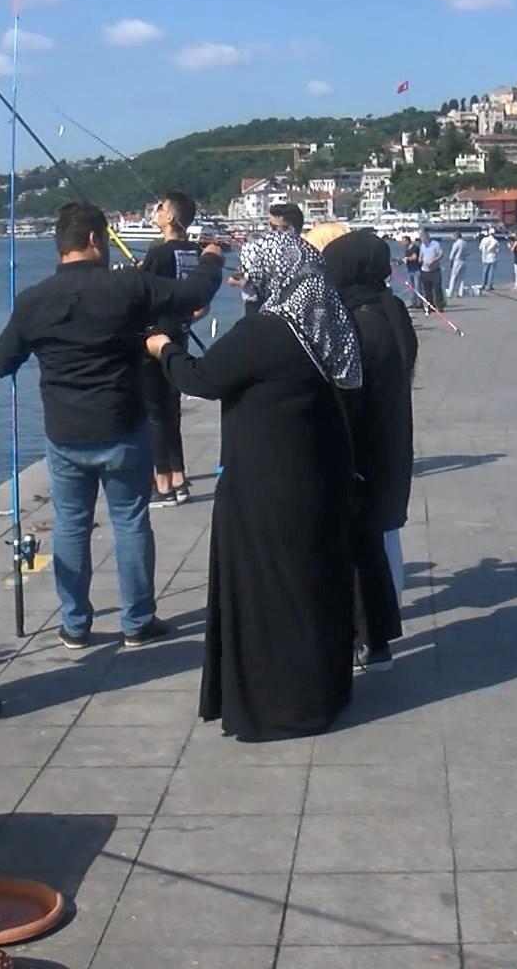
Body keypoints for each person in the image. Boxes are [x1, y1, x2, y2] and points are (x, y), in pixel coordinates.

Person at [144, 228, 362, 741]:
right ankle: (323, 689)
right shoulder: (322, 320)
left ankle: (280, 704)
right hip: (319, 470)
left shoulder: (268, 330)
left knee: (271, 588)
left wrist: (162, 348)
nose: (243, 280)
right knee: (312, 582)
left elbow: (202, 379)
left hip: (268, 481)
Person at [0, 203, 223, 649]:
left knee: (71, 525)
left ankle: (75, 625)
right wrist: (211, 257)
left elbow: (0, 363)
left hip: (65, 433)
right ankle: (138, 621)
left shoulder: (34, 299)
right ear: (96, 240)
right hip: (123, 425)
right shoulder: (125, 287)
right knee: (130, 521)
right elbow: (193, 293)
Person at [322, 229, 417, 670]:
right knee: (384, 533)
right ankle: (381, 628)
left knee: (361, 543)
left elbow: (348, 386)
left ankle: (368, 634)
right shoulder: (393, 308)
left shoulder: (355, 318)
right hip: (393, 433)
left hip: (362, 440)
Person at [141, 191, 205, 508]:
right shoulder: (193, 252)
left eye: (160, 207)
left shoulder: (161, 253)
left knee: (154, 413)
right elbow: (199, 302)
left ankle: (163, 483)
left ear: (171, 217)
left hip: (155, 339)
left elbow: (142, 293)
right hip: (180, 336)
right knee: (171, 411)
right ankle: (179, 478)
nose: (156, 211)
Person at [418, 231, 446, 313]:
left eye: (423, 238)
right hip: (425, 270)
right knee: (427, 290)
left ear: (427, 238)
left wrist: (433, 260)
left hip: (434, 270)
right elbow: (421, 255)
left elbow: (440, 254)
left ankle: (440, 306)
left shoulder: (435, 244)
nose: (422, 240)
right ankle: (429, 306)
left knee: (437, 288)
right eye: (421, 239)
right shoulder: (422, 246)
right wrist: (420, 259)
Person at [447, 227, 470, 299]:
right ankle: (461, 292)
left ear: (456, 236)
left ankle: (450, 293)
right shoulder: (465, 243)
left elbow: (452, 254)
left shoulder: (456, 244)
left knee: (453, 277)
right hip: (464, 261)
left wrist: (450, 260)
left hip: (457, 261)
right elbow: (467, 253)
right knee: (461, 278)